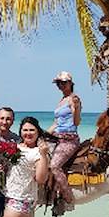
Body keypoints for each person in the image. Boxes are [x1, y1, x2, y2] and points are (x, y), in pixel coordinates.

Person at [1, 116, 50, 217]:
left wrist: (44, 156)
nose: (28, 133)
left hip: (22, 198)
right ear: (20, 131)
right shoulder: (16, 147)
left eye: (32, 130)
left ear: (38, 132)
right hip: (13, 194)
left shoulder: (38, 152)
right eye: (25, 130)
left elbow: (41, 179)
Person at [47, 71, 81, 207]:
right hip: (57, 137)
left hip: (69, 139)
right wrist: (42, 134)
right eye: (58, 83)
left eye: (63, 82)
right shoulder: (61, 101)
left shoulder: (74, 99)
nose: (60, 85)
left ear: (70, 83)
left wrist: (77, 108)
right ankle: (48, 193)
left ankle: (68, 197)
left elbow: (76, 122)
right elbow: (56, 123)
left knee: (54, 166)